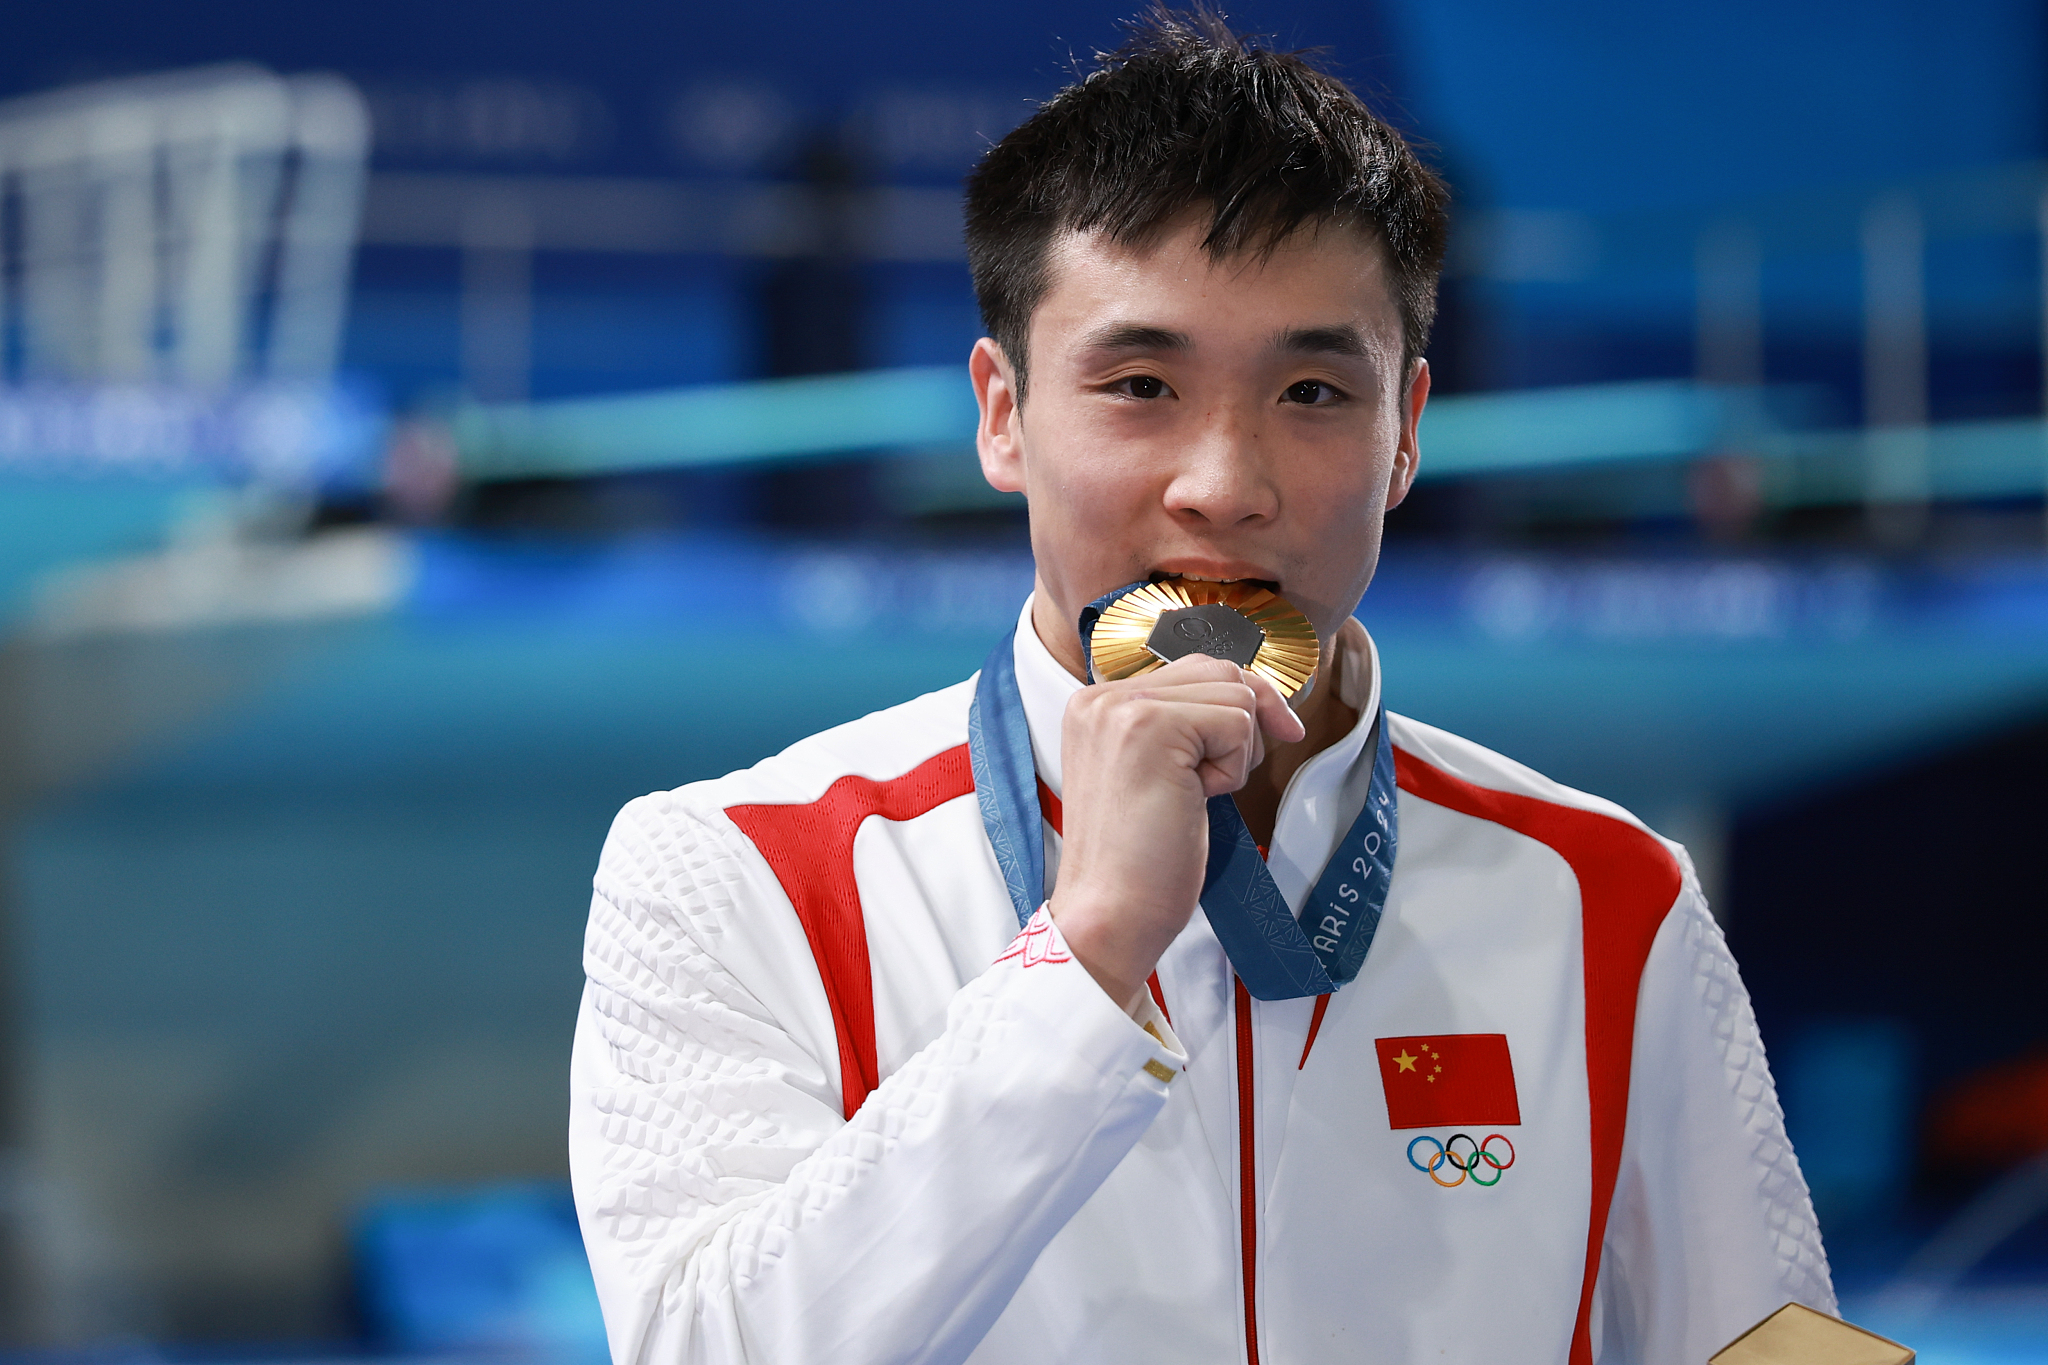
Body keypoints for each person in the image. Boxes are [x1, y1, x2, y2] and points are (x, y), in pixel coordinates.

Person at [568, 11, 1834, 1363]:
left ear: (1406, 435)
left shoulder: (1610, 896)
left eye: (1310, 391)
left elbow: (1787, 1350)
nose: (1224, 484)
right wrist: (1089, 952)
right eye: (1140, 383)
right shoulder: (738, 873)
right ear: (1002, 413)